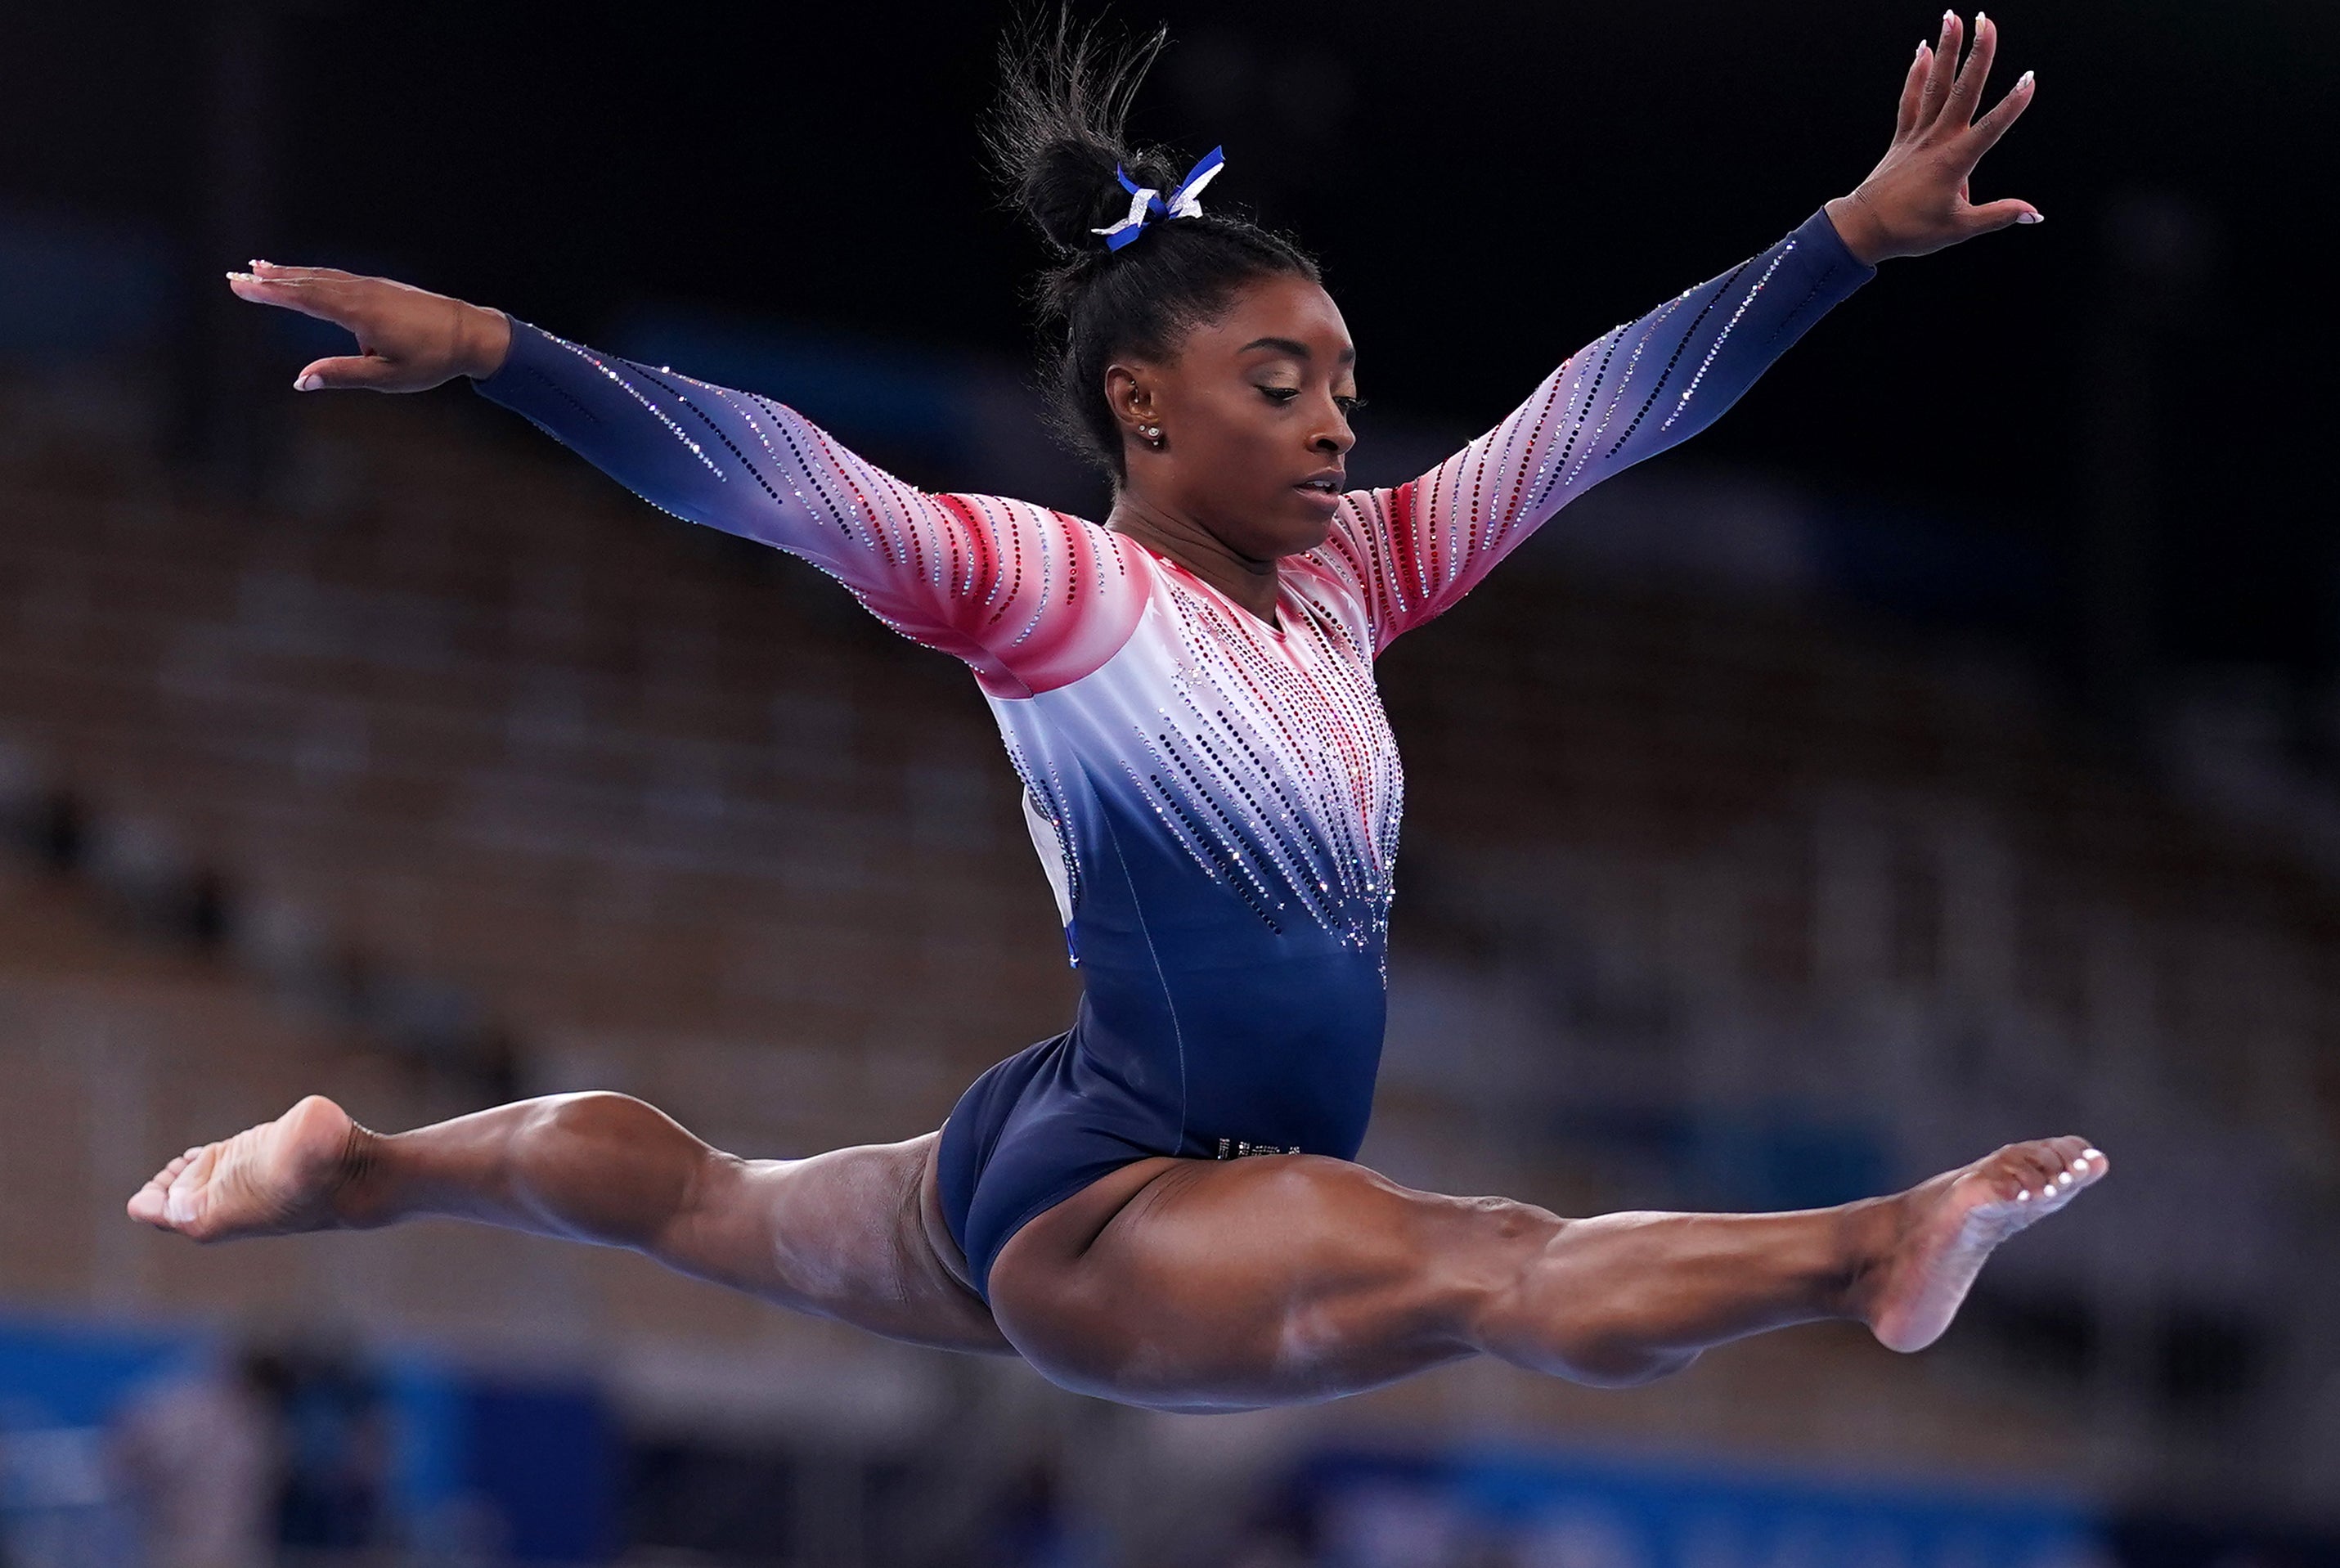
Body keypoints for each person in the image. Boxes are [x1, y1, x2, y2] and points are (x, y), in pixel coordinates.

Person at [132, 11, 2106, 1414]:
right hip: (1124, 1206)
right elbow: (773, 479)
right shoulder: (1058, 592)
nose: (1336, 416)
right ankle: (1867, 1244)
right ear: (1144, 405)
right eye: (1279, 379)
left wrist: (1841, 242)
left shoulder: (1362, 572)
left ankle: (369, 1162)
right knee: (1488, 1261)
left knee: (711, 1196)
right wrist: (499, 351)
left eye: (1342, 376)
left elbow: (1605, 413)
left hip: (1081, 1138)